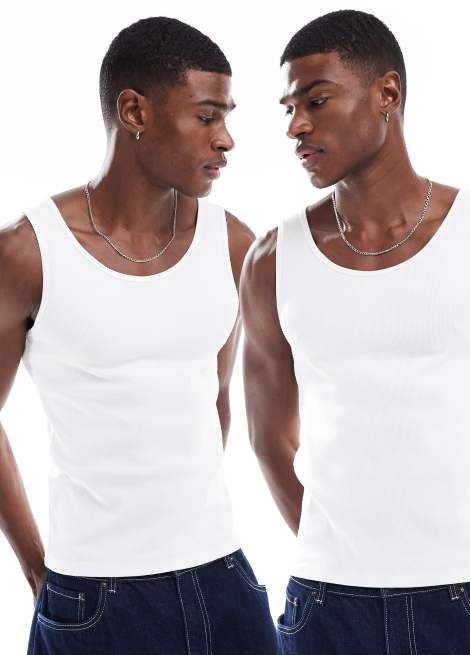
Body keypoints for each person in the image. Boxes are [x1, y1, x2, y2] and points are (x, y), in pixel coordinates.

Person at [0, 16, 276, 655]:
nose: (226, 139)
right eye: (206, 116)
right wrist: (39, 567)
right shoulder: (28, 253)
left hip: (224, 580)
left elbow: (213, 399)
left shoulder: (234, 245)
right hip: (93, 595)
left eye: (226, 117)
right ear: (134, 112)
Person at [241, 9, 470, 654]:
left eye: (316, 101)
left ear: (386, 93)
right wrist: (334, 556)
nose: (296, 125)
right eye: (289, 109)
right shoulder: (272, 258)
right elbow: (269, 438)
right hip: (324, 607)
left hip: (466, 601)